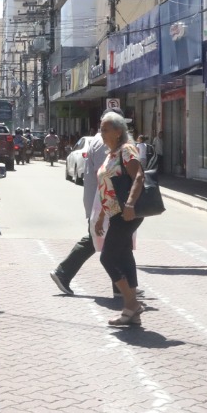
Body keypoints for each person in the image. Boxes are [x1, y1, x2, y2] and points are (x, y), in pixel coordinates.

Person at [91, 111, 146, 329]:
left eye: (105, 129)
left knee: (107, 258)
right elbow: (108, 187)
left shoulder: (126, 150)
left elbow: (139, 176)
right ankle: (132, 313)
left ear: (118, 131)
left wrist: (131, 204)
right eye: (101, 129)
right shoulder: (112, 153)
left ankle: (131, 303)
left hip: (127, 213)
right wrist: (102, 216)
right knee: (124, 257)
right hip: (115, 214)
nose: (101, 133)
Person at [48, 128, 117, 297]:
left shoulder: (101, 140)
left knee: (112, 241)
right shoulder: (103, 142)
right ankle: (63, 273)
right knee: (103, 240)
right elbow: (107, 175)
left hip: (101, 200)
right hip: (101, 201)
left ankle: (123, 285)